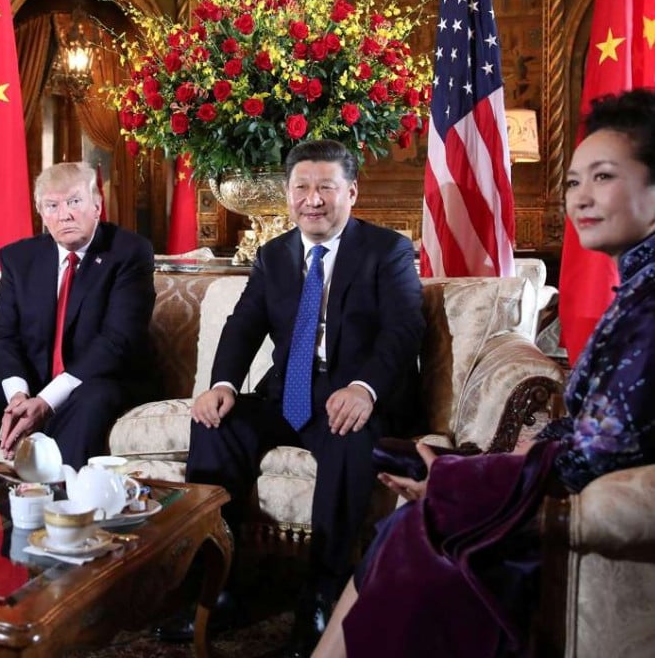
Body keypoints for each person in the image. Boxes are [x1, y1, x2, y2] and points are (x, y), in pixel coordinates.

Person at [312, 88, 655, 658]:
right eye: (573, 182)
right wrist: (482, 468)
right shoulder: (637, 288)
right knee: (407, 484)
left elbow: (602, 451)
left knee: (411, 529)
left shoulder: (648, 304)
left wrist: (464, 482)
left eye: (603, 177)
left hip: (570, 512)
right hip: (556, 486)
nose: (581, 198)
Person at [158, 140, 425, 656]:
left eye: (326, 187)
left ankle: (324, 594)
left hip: (353, 393)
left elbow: (404, 331)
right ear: (288, 194)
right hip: (289, 391)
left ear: (351, 191)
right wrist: (221, 385)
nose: (313, 199)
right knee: (216, 425)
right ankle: (221, 583)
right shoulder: (274, 255)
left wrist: (364, 388)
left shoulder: (386, 251)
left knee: (349, 439)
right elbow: (242, 326)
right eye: (302, 187)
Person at [0, 161, 158, 468]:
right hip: (33, 384)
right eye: (52, 205)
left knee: (90, 400)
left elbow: (117, 341)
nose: (64, 214)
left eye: (74, 202)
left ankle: (64, 509)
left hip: (97, 381)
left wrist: (47, 401)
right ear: (41, 213)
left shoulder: (129, 252)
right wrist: (18, 397)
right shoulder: (19, 258)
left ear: (96, 205)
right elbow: (3, 334)